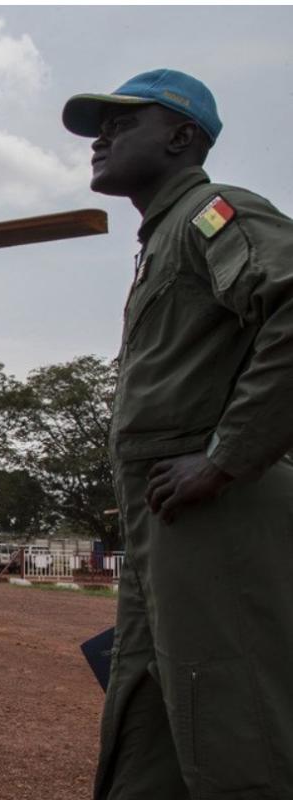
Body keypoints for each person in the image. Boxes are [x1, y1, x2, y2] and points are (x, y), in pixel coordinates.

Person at [63, 69, 293, 798]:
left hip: (213, 512)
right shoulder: (165, 239)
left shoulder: (215, 214)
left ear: (182, 137)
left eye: (122, 123)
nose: (101, 139)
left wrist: (225, 459)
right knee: (150, 713)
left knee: (235, 719)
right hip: (164, 519)